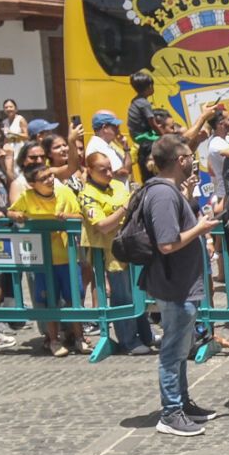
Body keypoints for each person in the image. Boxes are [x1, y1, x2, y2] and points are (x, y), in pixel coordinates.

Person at [136, 137, 223, 436]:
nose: (193, 161)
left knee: (181, 347)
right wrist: (199, 228)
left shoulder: (170, 191)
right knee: (173, 351)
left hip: (183, 283)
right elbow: (167, 243)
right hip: (174, 285)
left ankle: (182, 403)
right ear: (180, 160)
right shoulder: (161, 194)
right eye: (189, 156)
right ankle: (170, 412)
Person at [74, 147, 157, 355]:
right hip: (111, 253)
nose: (109, 174)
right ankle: (128, 340)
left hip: (133, 247)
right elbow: (102, 224)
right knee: (122, 297)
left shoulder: (118, 186)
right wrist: (125, 208)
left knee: (137, 293)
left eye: (110, 169)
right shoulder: (87, 195)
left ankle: (145, 334)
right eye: (103, 170)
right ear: (89, 170)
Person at [8, 164, 86, 357]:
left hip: (67, 258)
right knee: (49, 301)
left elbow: (80, 215)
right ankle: (53, 339)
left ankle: (79, 337)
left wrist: (66, 217)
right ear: (33, 184)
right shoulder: (27, 198)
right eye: (44, 179)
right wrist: (17, 215)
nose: (50, 180)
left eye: (50, 176)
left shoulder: (65, 192)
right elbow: (11, 211)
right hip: (43, 260)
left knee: (74, 299)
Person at [126, 72, 160, 181]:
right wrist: (164, 135)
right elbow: (153, 123)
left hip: (136, 134)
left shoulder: (135, 100)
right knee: (163, 140)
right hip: (142, 136)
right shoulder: (144, 103)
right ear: (149, 87)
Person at [86, 111, 129, 179]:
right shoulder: (97, 146)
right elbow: (125, 171)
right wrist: (126, 149)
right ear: (105, 128)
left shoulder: (109, 145)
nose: (118, 129)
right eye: (115, 126)